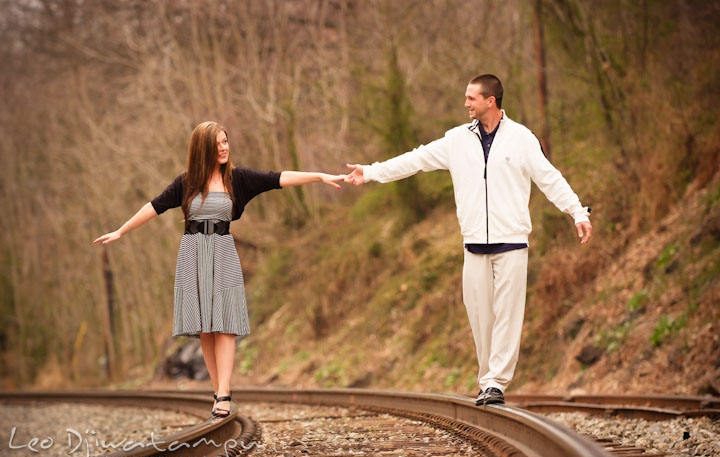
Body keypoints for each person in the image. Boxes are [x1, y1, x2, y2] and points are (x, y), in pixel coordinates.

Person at [345, 74, 592, 406]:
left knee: (508, 315)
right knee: (479, 316)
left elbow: (550, 178)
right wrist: (371, 171)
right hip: (474, 243)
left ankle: (495, 383)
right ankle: (486, 378)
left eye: (471, 98)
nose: (466, 104)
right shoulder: (456, 140)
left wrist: (577, 211)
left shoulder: (521, 139)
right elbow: (415, 160)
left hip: (512, 242)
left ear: (490, 100)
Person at [94, 121, 345, 417]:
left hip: (223, 252)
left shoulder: (238, 179)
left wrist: (319, 176)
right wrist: (121, 232)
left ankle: (225, 392)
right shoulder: (186, 182)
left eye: (226, 141)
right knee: (206, 329)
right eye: (218, 144)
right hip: (192, 253)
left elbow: (277, 178)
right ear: (204, 149)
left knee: (225, 325)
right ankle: (217, 392)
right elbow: (154, 206)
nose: (225, 148)